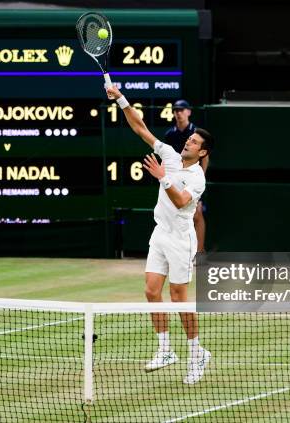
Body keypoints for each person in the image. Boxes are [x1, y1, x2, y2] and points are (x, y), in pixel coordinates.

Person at [106, 85, 214, 384]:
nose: (188, 143)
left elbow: (181, 202)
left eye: (193, 142)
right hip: (160, 234)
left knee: (179, 298)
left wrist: (162, 177)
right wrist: (121, 99)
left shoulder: (197, 178)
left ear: (202, 151)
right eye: (189, 140)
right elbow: (140, 127)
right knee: (152, 291)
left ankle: (196, 355)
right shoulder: (168, 152)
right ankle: (166, 349)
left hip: (181, 239)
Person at [164, 100, 208, 253]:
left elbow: (205, 158)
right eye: (176, 110)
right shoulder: (169, 134)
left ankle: (200, 252)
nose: (178, 112)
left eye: (182, 110)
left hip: (192, 179)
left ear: (188, 112)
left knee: (197, 214)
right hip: (175, 180)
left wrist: (199, 179)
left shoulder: (196, 132)